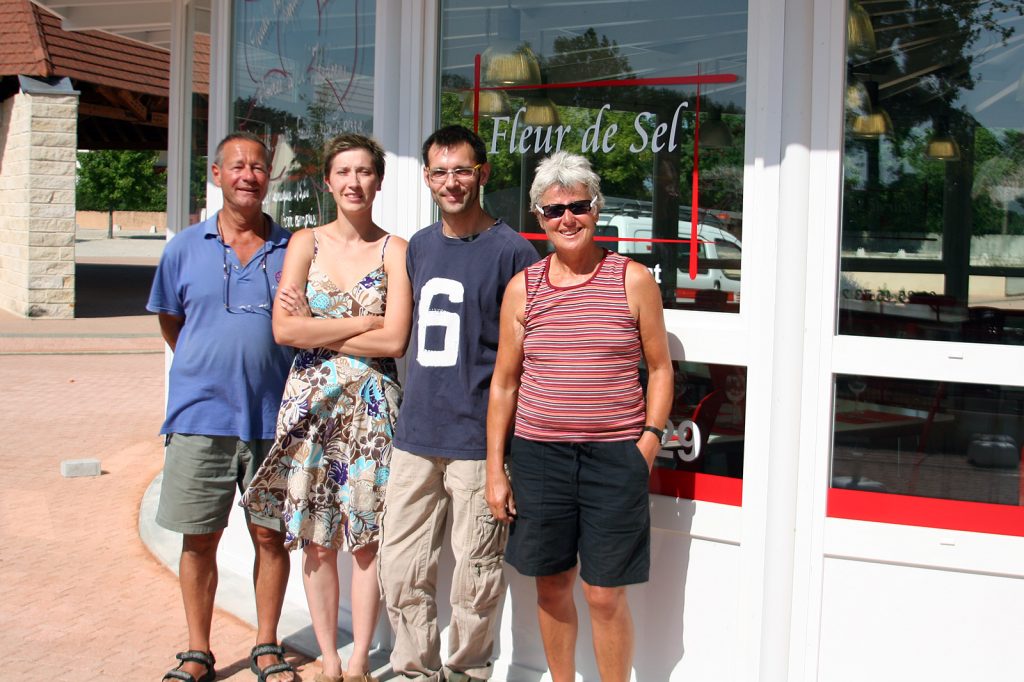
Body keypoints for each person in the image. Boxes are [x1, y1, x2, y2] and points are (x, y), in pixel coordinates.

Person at [485, 151, 674, 682]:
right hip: (540, 457)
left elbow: (659, 370)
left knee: (605, 593)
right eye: (553, 210)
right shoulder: (525, 288)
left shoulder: (632, 280)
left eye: (578, 206)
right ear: (539, 219)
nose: (567, 218)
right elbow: (504, 383)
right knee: (550, 584)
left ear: (596, 208)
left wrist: (648, 443)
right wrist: (495, 468)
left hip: (615, 459)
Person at [241, 133, 412, 682]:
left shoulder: (397, 251)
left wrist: (321, 331)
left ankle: (360, 657)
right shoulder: (305, 244)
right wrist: (363, 321)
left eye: (364, 172)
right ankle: (329, 658)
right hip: (310, 407)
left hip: (371, 411)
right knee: (316, 540)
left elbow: (395, 343)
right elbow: (284, 329)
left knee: (365, 540)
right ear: (328, 181)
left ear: (379, 181)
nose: (354, 182)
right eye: (343, 172)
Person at [378, 125, 540, 682]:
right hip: (416, 434)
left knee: (477, 575)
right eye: (440, 172)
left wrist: (502, 456)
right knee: (400, 567)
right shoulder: (419, 245)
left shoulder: (513, 250)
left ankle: (468, 671)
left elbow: (520, 361)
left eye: (463, 170)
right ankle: (414, 671)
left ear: (484, 173)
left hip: (477, 440)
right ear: (426, 178)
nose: (452, 182)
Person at [148, 132, 297, 682]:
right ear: (216, 174)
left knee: (269, 536)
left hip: (272, 419)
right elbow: (172, 322)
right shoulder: (183, 248)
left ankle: (265, 645)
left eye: (258, 167)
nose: (248, 175)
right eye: (237, 166)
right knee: (199, 539)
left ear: (268, 177)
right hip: (200, 417)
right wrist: (210, 360)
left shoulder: (292, 249)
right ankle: (197, 651)